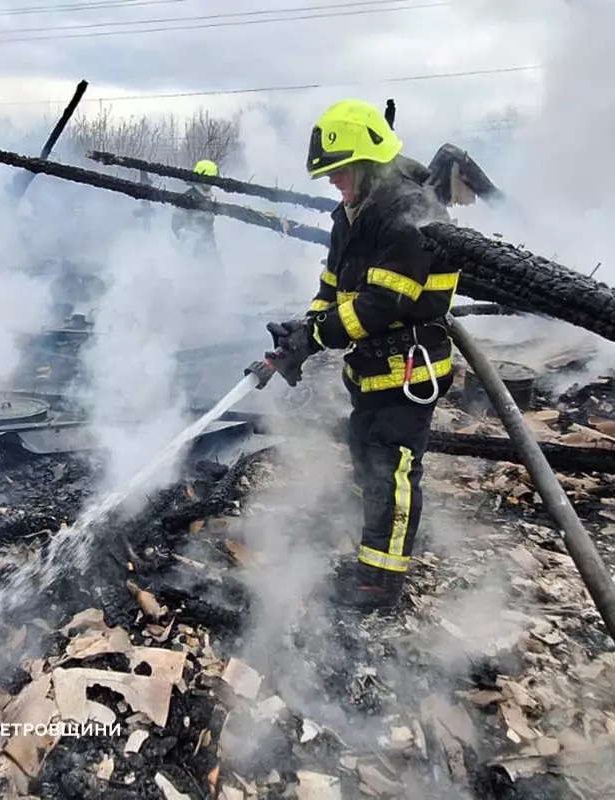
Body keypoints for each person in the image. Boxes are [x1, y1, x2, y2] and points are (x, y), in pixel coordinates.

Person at [266, 98, 459, 612]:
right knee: (365, 465)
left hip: (408, 369)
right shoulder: (353, 214)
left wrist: (318, 337)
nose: (333, 182)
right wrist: (301, 331)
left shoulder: (411, 215)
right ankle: (368, 554)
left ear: (370, 164)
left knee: (392, 474)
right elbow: (332, 285)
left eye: (339, 171)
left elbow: (380, 304)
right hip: (370, 371)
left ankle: (381, 584)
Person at [171, 159, 222, 268]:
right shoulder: (188, 198)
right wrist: (191, 243)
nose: (211, 184)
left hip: (208, 249)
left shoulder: (208, 199)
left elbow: (209, 228)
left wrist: (212, 249)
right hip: (191, 253)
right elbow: (176, 225)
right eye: (209, 179)